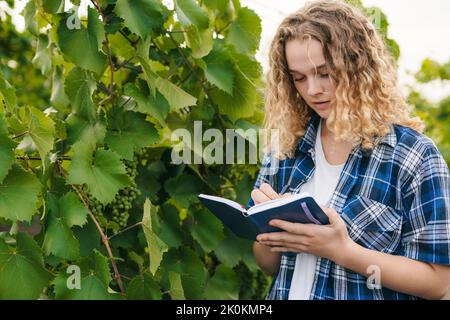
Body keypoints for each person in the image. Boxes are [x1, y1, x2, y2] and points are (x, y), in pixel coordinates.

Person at [247, 0, 450, 300]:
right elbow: (267, 265)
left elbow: (440, 283)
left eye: (325, 73)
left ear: (357, 66)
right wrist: (270, 229)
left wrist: (343, 251)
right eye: (299, 78)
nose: (312, 89)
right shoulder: (285, 150)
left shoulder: (412, 156)